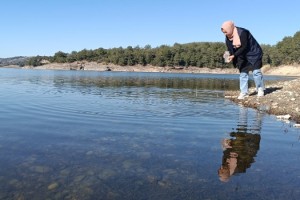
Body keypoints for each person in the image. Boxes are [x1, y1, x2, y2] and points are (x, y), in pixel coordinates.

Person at [221, 21, 265, 100]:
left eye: (226, 32)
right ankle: (244, 92)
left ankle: (260, 89)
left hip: (254, 53)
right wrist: (228, 55)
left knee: (256, 72)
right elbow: (230, 49)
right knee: (243, 74)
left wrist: (234, 55)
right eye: (224, 33)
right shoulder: (228, 37)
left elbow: (244, 46)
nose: (225, 34)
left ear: (230, 28)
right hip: (241, 56)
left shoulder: (243, 32)